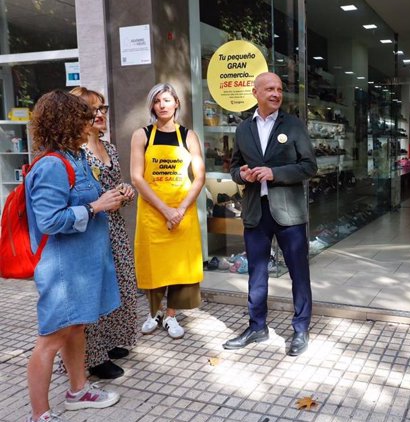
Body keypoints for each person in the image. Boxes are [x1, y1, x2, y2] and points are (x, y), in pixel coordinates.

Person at [25, 90, 125, 422]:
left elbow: (88, 199)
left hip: (81, 266)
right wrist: (96, 206)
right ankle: (38, 417)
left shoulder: (77, 157)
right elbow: (49, 221)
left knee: (76, 328)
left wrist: (112, 198)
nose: (93, 122)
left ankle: (78, 391)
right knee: (51, 339)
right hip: (62, 270)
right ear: (67, 123)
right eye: (86, 118)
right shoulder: (53, 164)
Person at [223, 72, 317, 356]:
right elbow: (234, 167)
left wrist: (274, 173)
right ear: (255, 93)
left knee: (299, 273)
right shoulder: (243, 129)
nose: (276, 94)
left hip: (289, 214)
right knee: (257, 273)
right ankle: (257, 327)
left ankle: (301, 329)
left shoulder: (294, 125)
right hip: (255, 211)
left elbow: (309, 166)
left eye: (279, 89)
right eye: (270, 89)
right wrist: (241, 174)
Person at [66, 87, 138, 379]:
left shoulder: (109, 148)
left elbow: (116, 186)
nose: (99, 115)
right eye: (92, 109)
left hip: (115, 227)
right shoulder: (75, 151)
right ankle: (92, 357)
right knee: (94, 290)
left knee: (120, 284)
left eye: (102, 108)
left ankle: (108, 342)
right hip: (90, 229)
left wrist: (126, 192)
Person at [130, 83, 205, 339]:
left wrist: (180, 209)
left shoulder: (188, 136)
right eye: (157, 101)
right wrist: (165, 210)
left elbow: (199, 176)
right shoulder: (141, 135)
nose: (162, 105)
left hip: (182, 211)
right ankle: (155, 312)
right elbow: (137, 178)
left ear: (176, 104)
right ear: (152, 106)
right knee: (154, 265)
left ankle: (171, 316)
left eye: (166, 100)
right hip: (153, 211)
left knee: (177, 266)